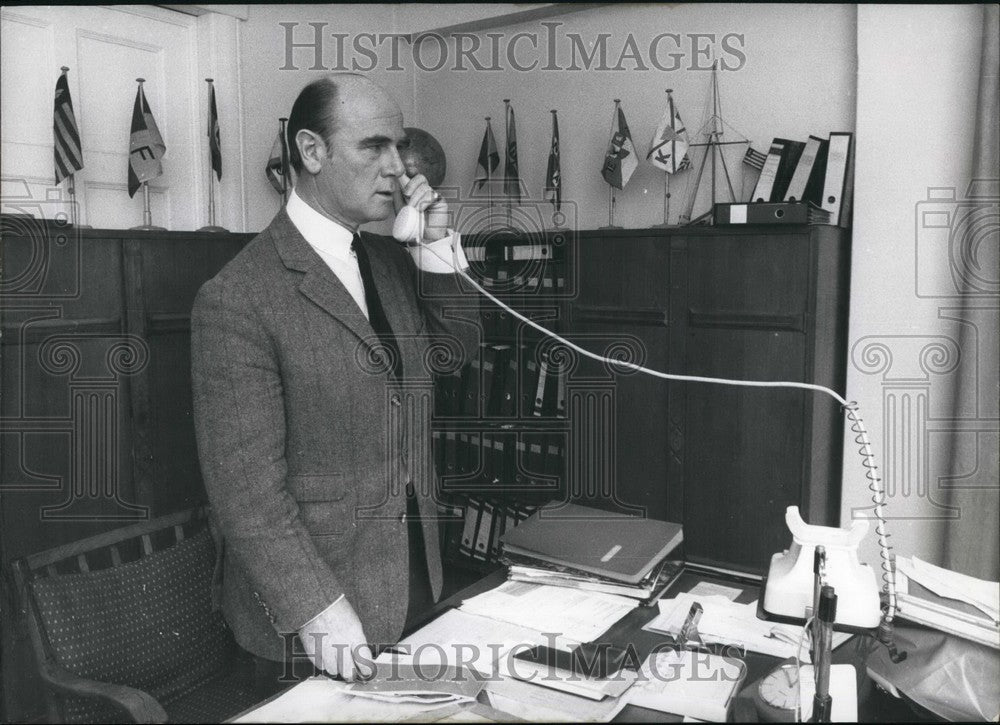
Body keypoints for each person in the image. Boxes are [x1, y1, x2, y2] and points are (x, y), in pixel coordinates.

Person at [191, 73, 476, 693]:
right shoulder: (237, 298)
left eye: (399, 148)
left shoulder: (391, 263)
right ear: (312, 152)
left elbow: (455, 355)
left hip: (414, 579)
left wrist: (434, 248)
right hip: (317, 614)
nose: (399, 169)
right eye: (375, 147)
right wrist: (317, 609)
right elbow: (245, 494)